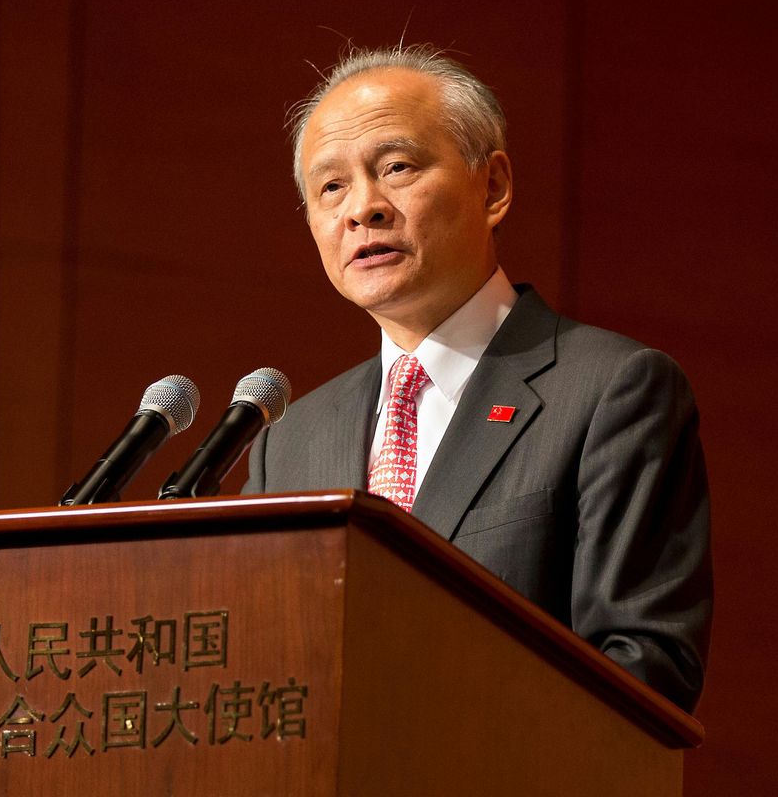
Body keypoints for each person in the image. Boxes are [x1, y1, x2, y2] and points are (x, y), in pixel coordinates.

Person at [241, 45, 711, 712]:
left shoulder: (612, 391)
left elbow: (643, 668)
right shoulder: (288, 440)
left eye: (397, 167)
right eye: (331, 187)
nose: (362, 209)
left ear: (491, 187)